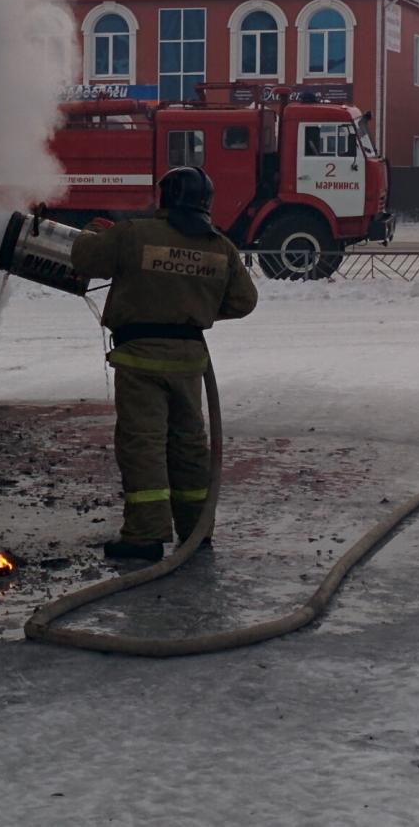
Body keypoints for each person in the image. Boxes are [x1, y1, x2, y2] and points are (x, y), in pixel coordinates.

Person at [70, 167, 259, 561]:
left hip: (140, 361)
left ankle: (145, 535)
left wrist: (94, 232)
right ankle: (196, 530)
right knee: (189, 447)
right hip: (189, 363)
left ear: (165, 198)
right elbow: (244, 301)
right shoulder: (219, 247)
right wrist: (193, 308)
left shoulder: (134, 234)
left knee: (144, 445)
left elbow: (85, 257)